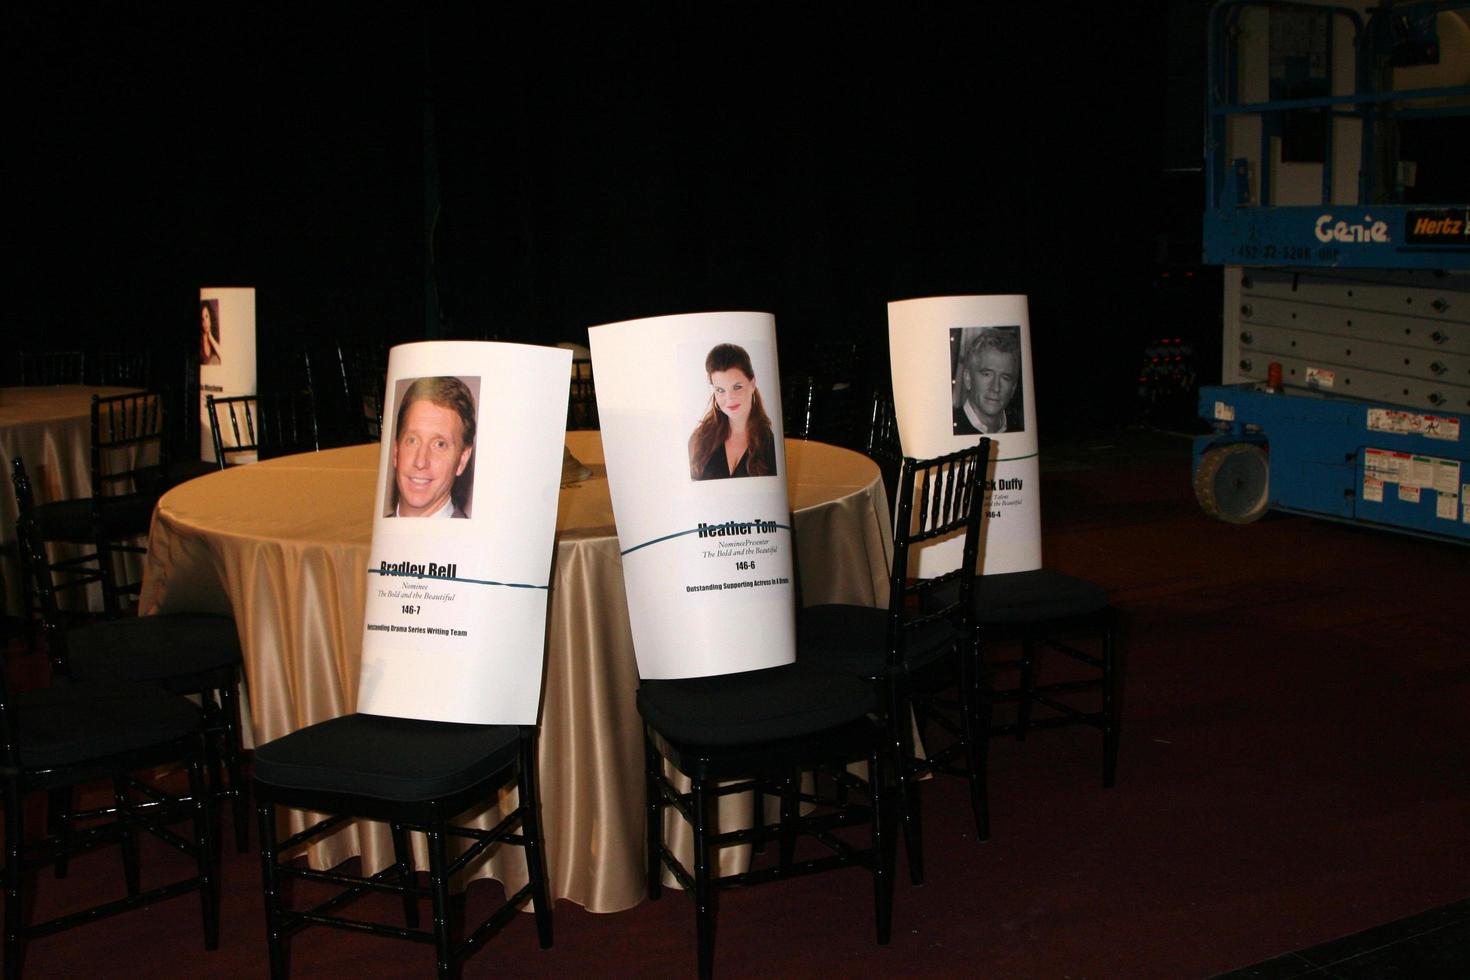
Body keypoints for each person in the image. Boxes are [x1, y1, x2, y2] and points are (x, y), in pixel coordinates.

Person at [386, 376, 477, 517]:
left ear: (462, 460)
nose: (420, 462)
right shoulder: (367, 535)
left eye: (439, 444)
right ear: (396, 450)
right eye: (412, 440)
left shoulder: (476, 539)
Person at [688, 343, 777, 480]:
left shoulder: (772, 443)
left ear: (752, 384)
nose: (729, 399)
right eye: (720, 390)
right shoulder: (699, 439)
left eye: (737, 387)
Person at [952, 327, 1023, 435]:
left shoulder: (1020, 433)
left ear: (1013, 388)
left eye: (1005, 378)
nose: (996, 388)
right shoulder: (949, 428)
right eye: (987, 374)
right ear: (968, 378)